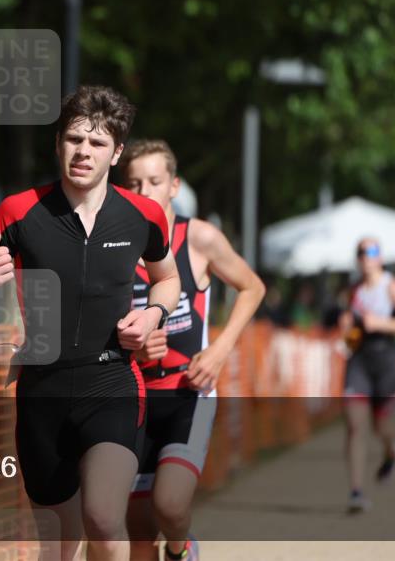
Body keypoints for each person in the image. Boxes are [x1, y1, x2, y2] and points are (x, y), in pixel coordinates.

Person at [0, 86, 181, 561]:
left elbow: (168, 278)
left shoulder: (143, 216)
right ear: (58, 144)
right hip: (42, 389)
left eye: (97, 143)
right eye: (75, 139)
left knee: (102, 517)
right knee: (56, 543)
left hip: (111, 381)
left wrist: (154, 313)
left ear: (116, 153)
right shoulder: (18, 211)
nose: (83, 151)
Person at [116, 140, 265, 561]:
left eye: (154, 181)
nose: (144, 192)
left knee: (170, 504)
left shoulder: (198, 238)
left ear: (174, 186)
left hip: (188, 392)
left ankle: (181, 551)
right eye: (133, 183)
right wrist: (131, 351)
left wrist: (219, 350)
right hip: (134, 396)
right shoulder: (115, 248)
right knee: (137, 527)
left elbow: (252, 287)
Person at [338, 238, 395, 513]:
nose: (365, 256)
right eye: (361, 252)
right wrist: (347, 330)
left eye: (371, 251)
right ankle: (356, 492)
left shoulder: (392, 286)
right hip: (359, 361)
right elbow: (350, 332)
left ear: (380, 257)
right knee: (355, 424)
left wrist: (381, 323)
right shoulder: (353, 291)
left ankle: (391, 450)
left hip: (385, 361)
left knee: (380, 425)